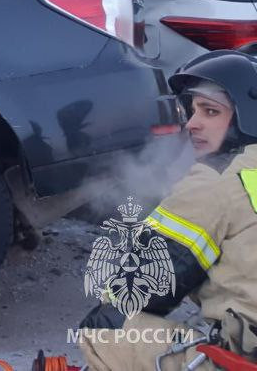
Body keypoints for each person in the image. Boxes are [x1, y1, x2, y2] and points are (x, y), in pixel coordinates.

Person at [77, 50, 257, 370]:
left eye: (210, 111)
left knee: (106, 329)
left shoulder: (218, 177)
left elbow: (145, 283)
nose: (192, 123)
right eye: (192, 110)